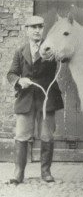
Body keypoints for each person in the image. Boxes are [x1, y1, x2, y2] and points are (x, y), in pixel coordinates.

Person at [7, 15, 64, 184]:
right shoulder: (20, 51)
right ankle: (18, 174)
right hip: (26, 100)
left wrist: (57, 52)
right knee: (21, 135)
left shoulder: (50, 48)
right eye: (33, 27)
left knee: (47, 136)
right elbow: (11, 73)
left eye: (40, 27)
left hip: (47, 99)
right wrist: (18, 81)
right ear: (27, 30)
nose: (37, 30)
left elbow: (61, 57)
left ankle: (46, 172)